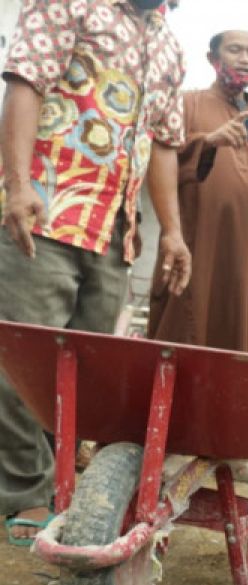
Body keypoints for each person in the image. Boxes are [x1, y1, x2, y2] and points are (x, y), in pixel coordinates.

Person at [1, 0, 190, 544]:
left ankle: (61, 489)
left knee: (80, 377)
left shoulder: (169, 44)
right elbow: (25, 84)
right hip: (44, 213)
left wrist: (172, 232)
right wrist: (16, 185)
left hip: (114, 231)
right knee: (20, 364)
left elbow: (163, 143)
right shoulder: (68, 3)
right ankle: (25, 494)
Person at [147, 30, 248, 356]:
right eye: (235, 50)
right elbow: (158, 160)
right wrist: (209, 141)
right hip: (198, 245)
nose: (245, 58)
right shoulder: (186, 105)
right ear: (213, 58)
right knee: (185, 336)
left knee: (244, 342)